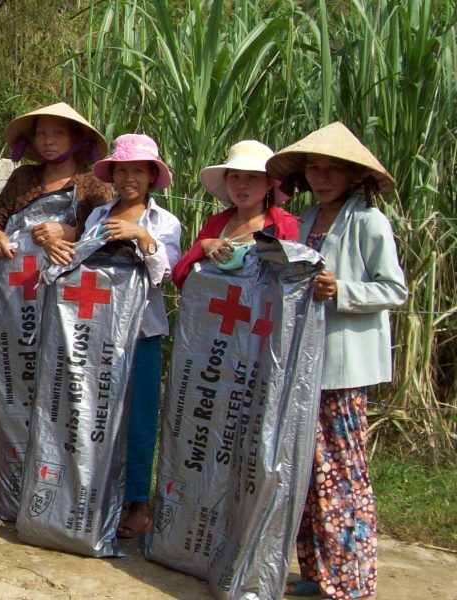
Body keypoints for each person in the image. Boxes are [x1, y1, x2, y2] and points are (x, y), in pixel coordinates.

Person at [266, 122, 407, 599]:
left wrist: (342, 290)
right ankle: (318, 573)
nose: (322, 177)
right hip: (306, 360)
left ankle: (351, 580)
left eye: (332, 169)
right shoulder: (307, 219)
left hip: (343, 367)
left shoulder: (368, 221)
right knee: (309, 471)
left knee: (342, 470)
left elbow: (394, 289)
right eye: (314, 168)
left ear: (352, 174)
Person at [82, 133, 182, 539]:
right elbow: (83, 264)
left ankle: (138, 502)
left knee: (139, 418)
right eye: (122, 171)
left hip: (142, 332)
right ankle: (95, 492)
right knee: (94, 412)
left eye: (138, 171)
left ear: (152, 176)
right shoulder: (97, 216)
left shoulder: (164, 222)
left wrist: (142, 237)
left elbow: (166, 274)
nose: (129, 179)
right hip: (98, 330)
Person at [0, 103, 112, 265]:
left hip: (73, 274)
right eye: (41, 133)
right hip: (19, 274)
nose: (48, 141)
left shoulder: (94, 182)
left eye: (59, 133)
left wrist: (73, 233)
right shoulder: (23, 177)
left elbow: (106, 233)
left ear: (75, 139)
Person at [172, 140, 299, 288]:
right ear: (225, 180)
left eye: (253, 176)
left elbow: (293, 282)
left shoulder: (284, 225)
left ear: (269, 183)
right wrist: (203, 246)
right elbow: (180, 276)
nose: (242, 185)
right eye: (235, 176)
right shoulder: (216, 223)